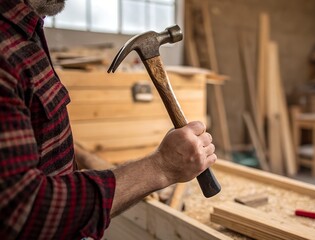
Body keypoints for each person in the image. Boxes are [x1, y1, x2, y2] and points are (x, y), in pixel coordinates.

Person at [0, 0, 217, 239]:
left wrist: (78, 154)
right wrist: (161, 167)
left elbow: (33, 132)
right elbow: (23, 211)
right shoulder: (5, 50)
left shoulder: (26, 30)